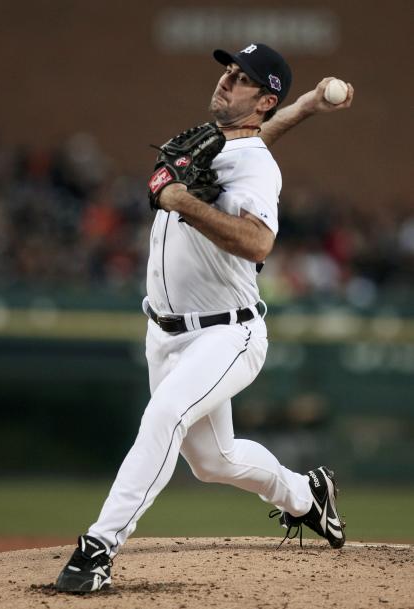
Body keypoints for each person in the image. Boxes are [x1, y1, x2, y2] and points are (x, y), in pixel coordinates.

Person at [56, 43, 354, 593]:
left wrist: (184, 202)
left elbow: (259, 239)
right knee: (213, 462)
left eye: (242, 78)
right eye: (228, 70)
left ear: (262, 98)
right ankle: (305, 494)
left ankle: (98, 549)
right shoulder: (227, 141)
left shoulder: (259, 168)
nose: (226, 80)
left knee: (163, 416)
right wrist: (307, 105)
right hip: (166, 335)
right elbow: (255, 135)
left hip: (227, 332)